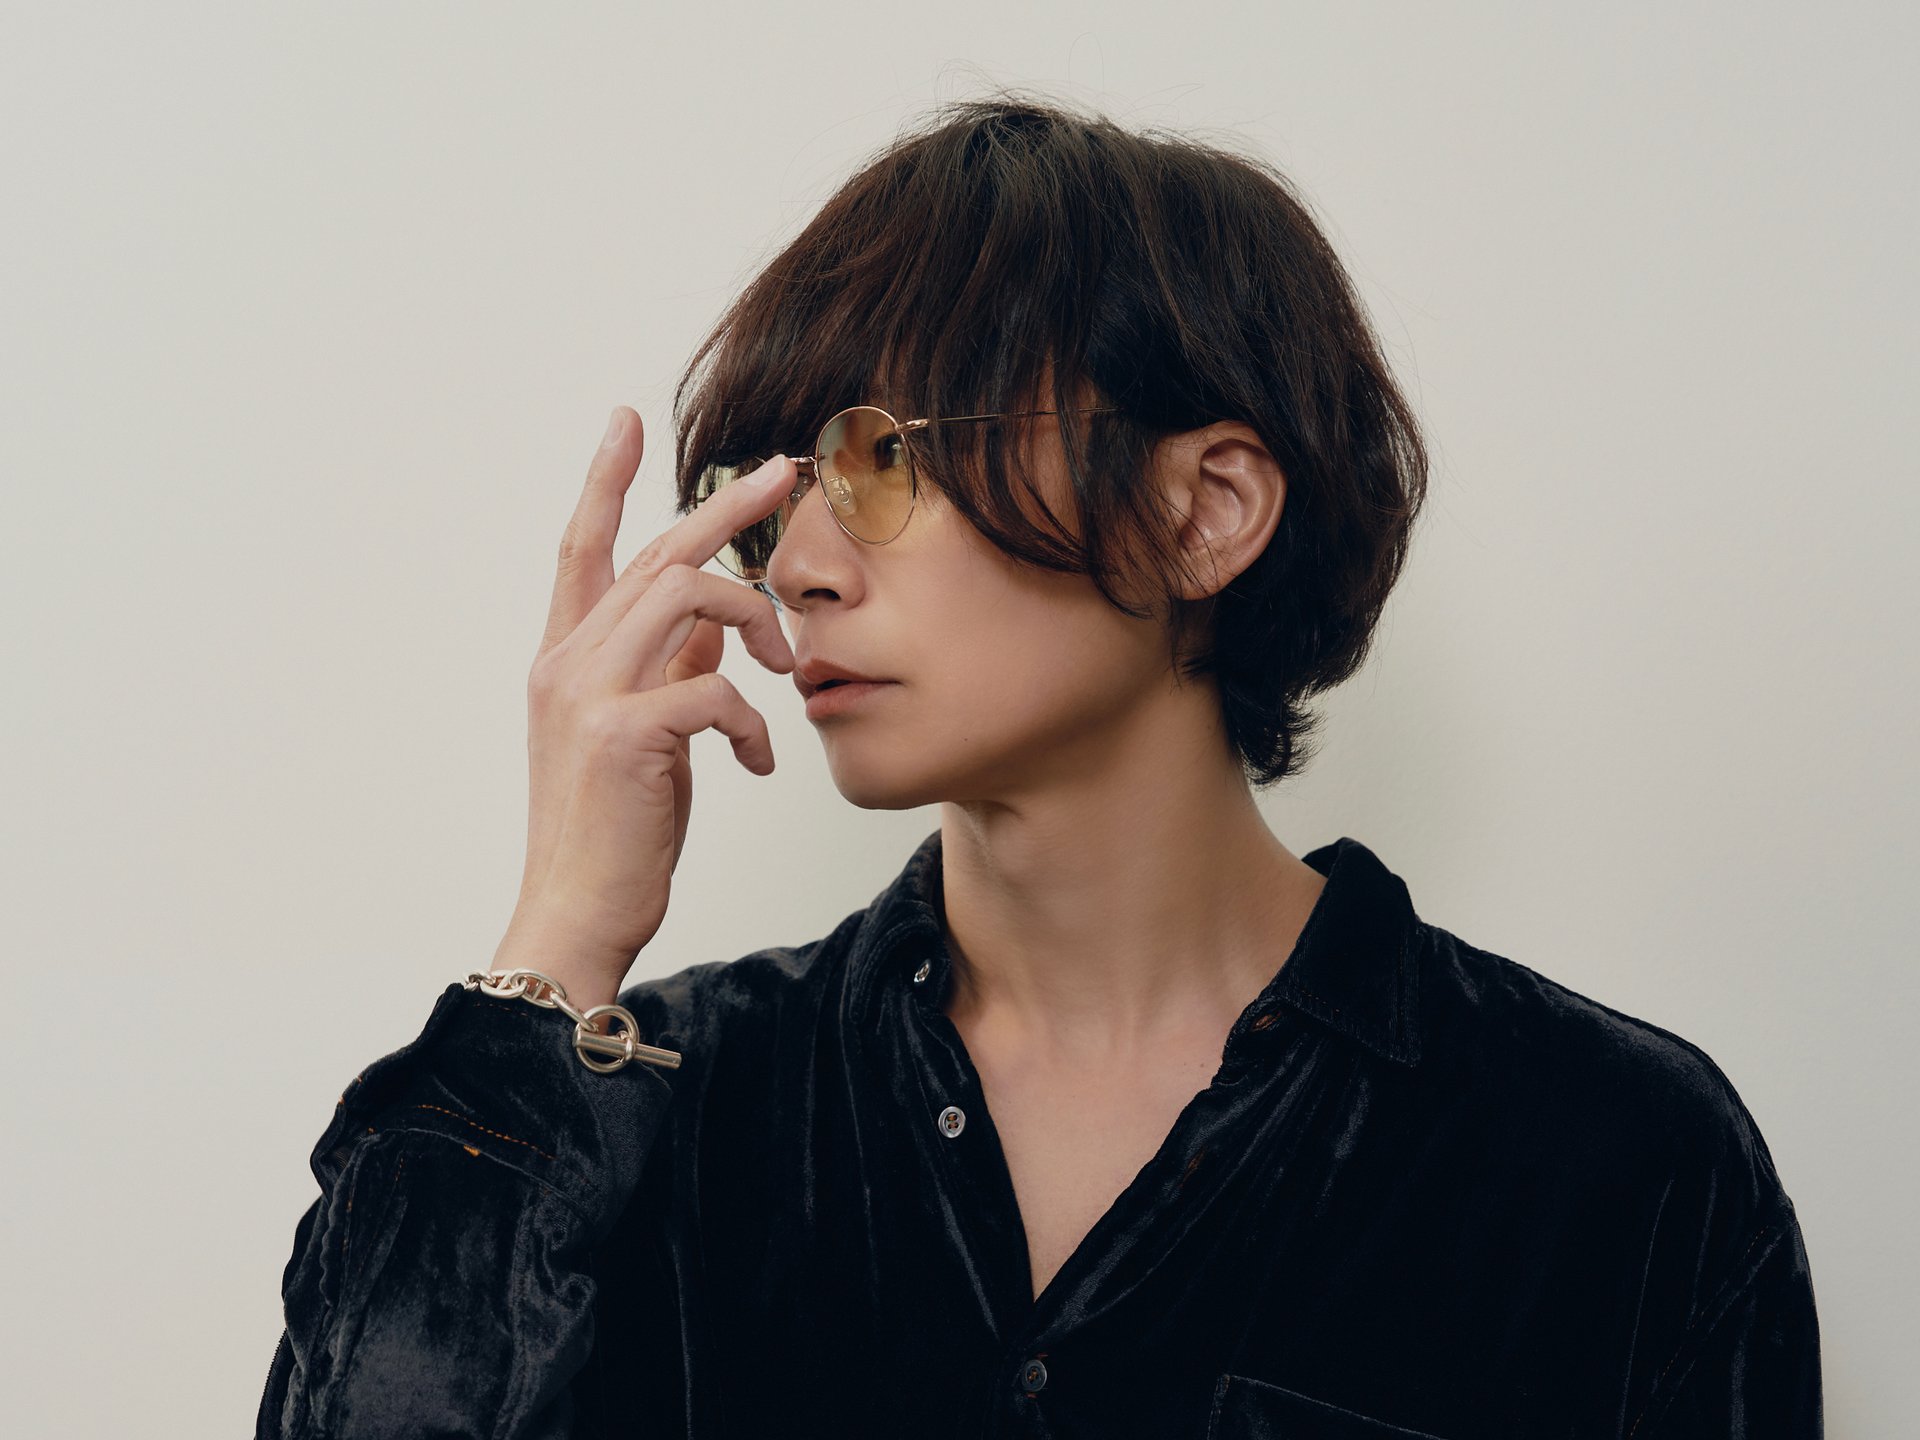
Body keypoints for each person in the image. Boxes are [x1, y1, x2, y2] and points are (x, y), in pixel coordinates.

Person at [255, 94, 1821, 1438]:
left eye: (883, 456)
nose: (795, 565)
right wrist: (557, 938)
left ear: (1205, 510)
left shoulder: (1610, 1162)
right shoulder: (661, 1109)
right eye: (769, 491)